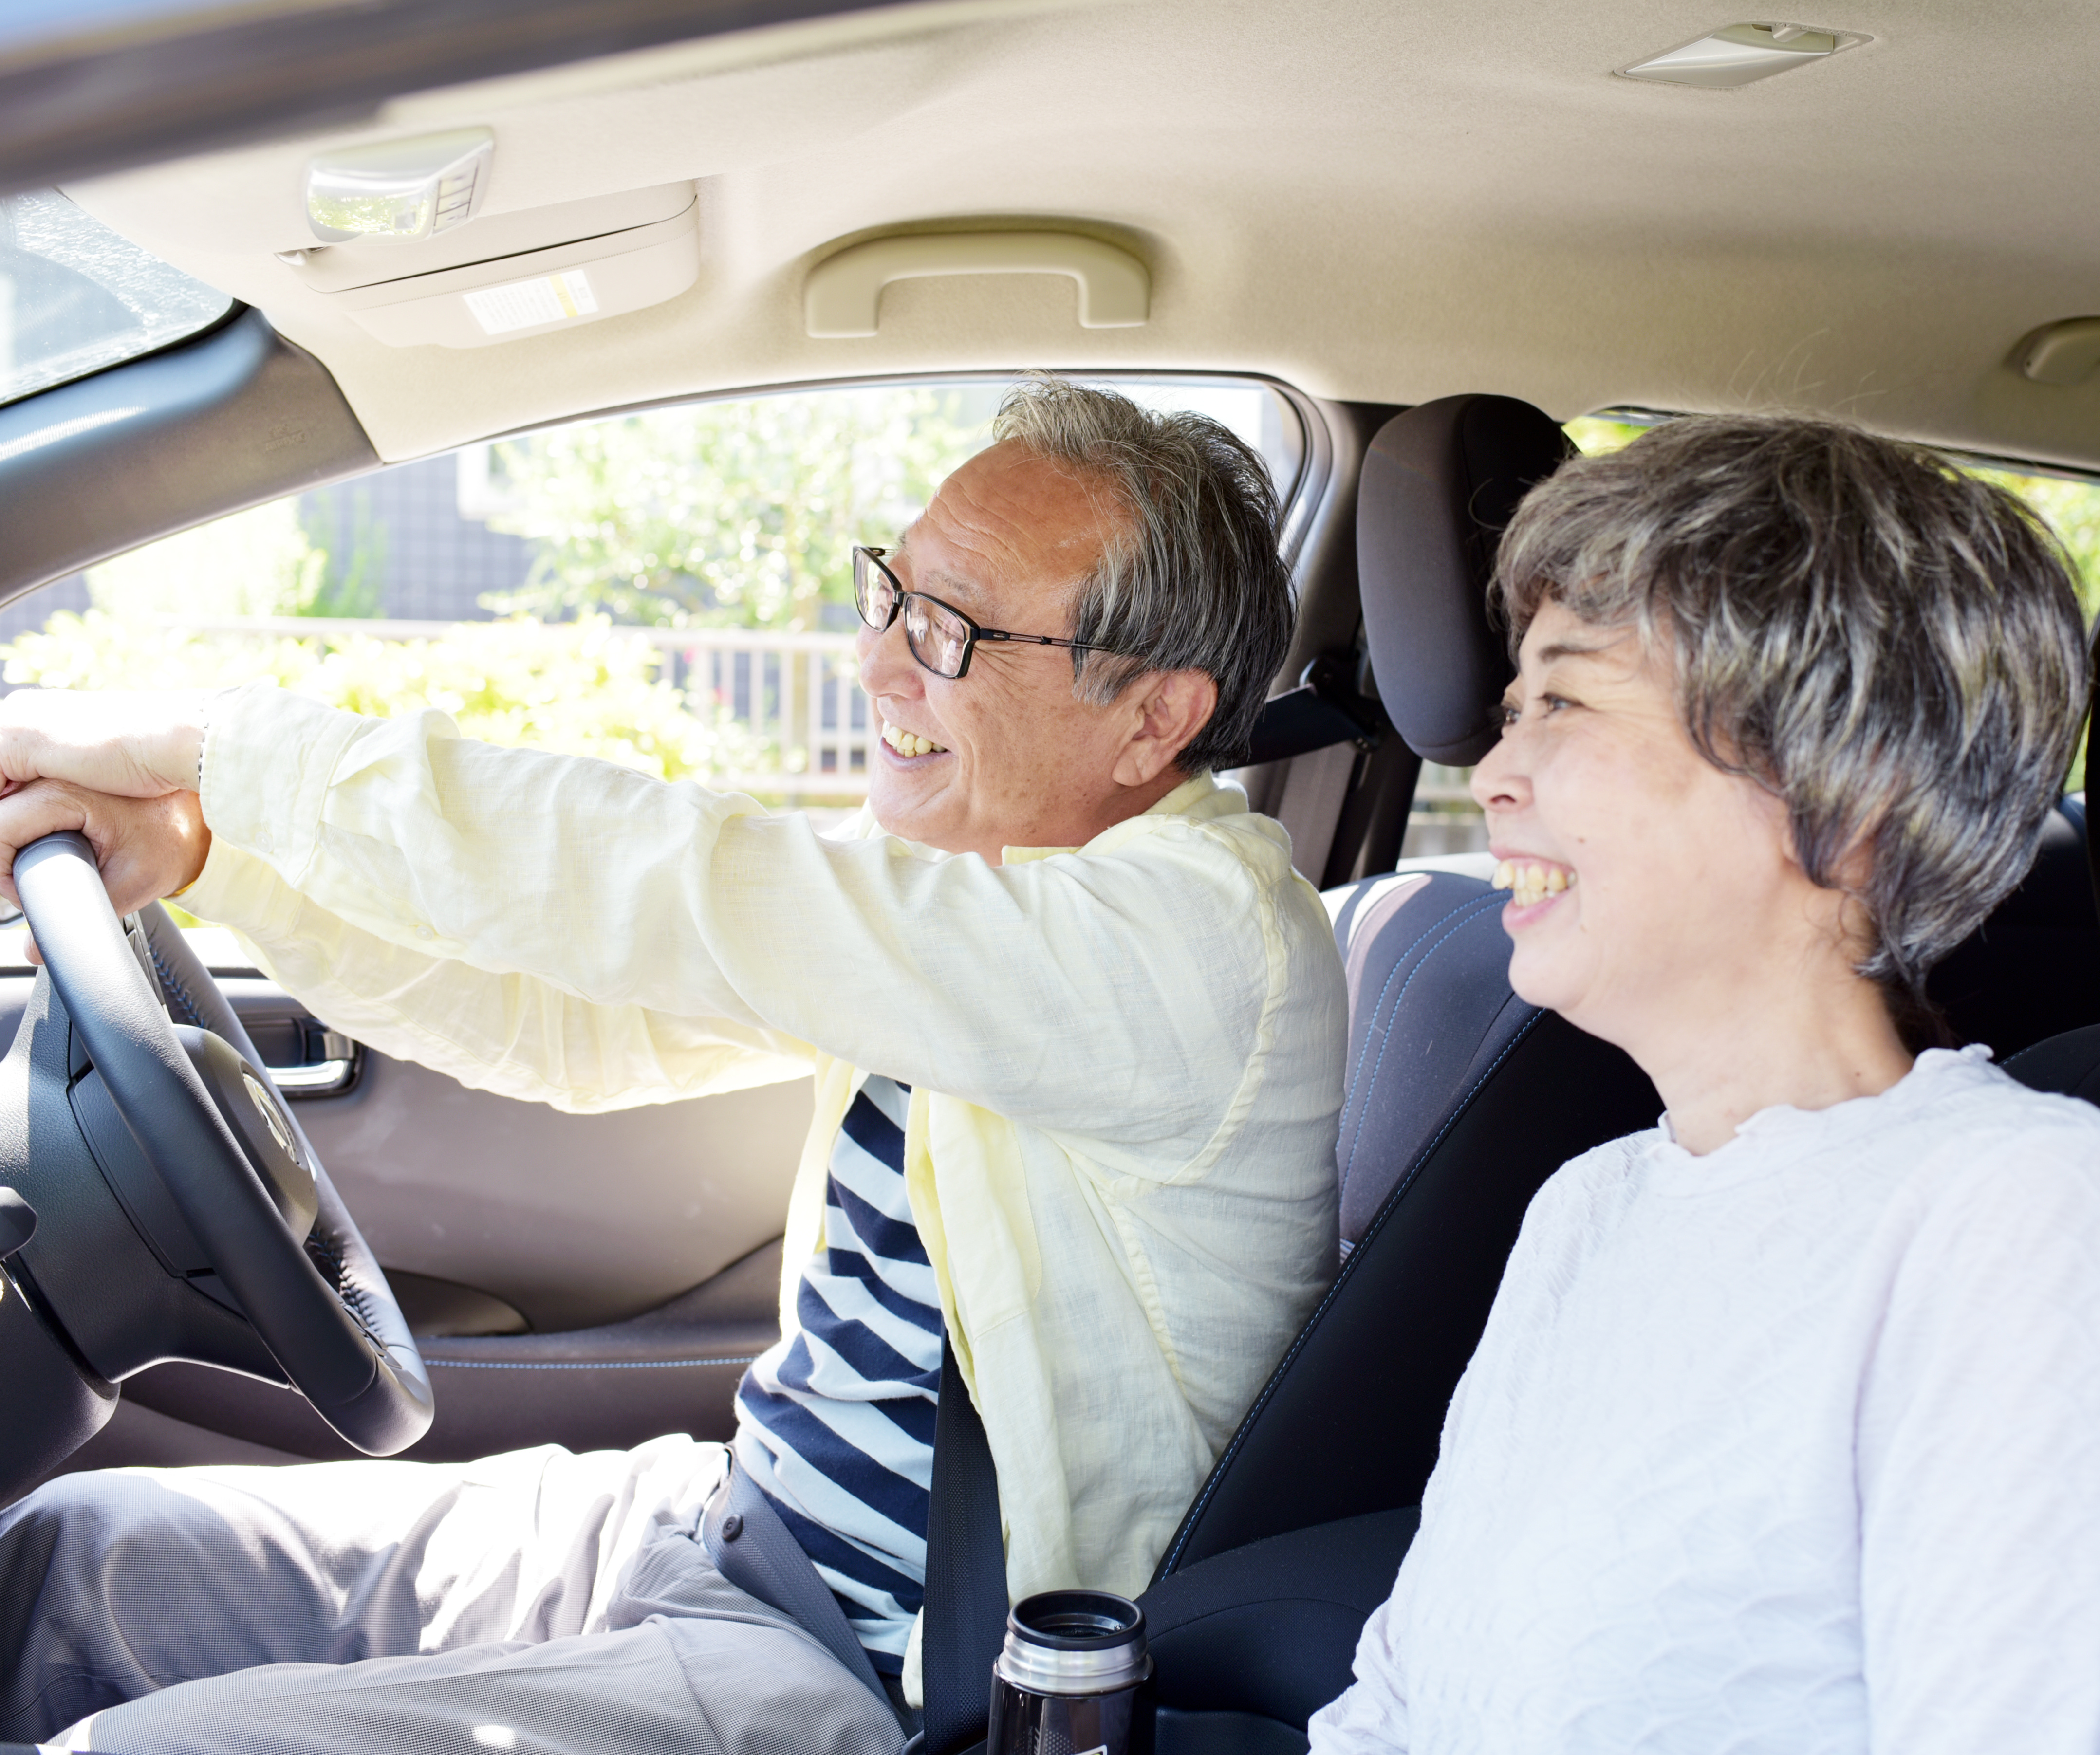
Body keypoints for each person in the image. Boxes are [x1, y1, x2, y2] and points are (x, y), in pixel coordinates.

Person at [0, 377, 1346, 1755]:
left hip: (891, 1664)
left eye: (951, 632)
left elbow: (672, 879)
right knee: (70, 1565)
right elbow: (562, 1020)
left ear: (1153, 720)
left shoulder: (1192, 942)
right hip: (723, 1524)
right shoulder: (981, 898)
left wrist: (214, 752)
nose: (878, 663)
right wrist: (224, 865)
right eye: (891, 593)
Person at [1305, 417, 2100, 1754]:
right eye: (1515, 705)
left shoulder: (2023, 1225)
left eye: (1567, 700)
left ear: (1846, 785)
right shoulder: (1592, 1208)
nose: (1497, 773)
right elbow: (1402, 1708)